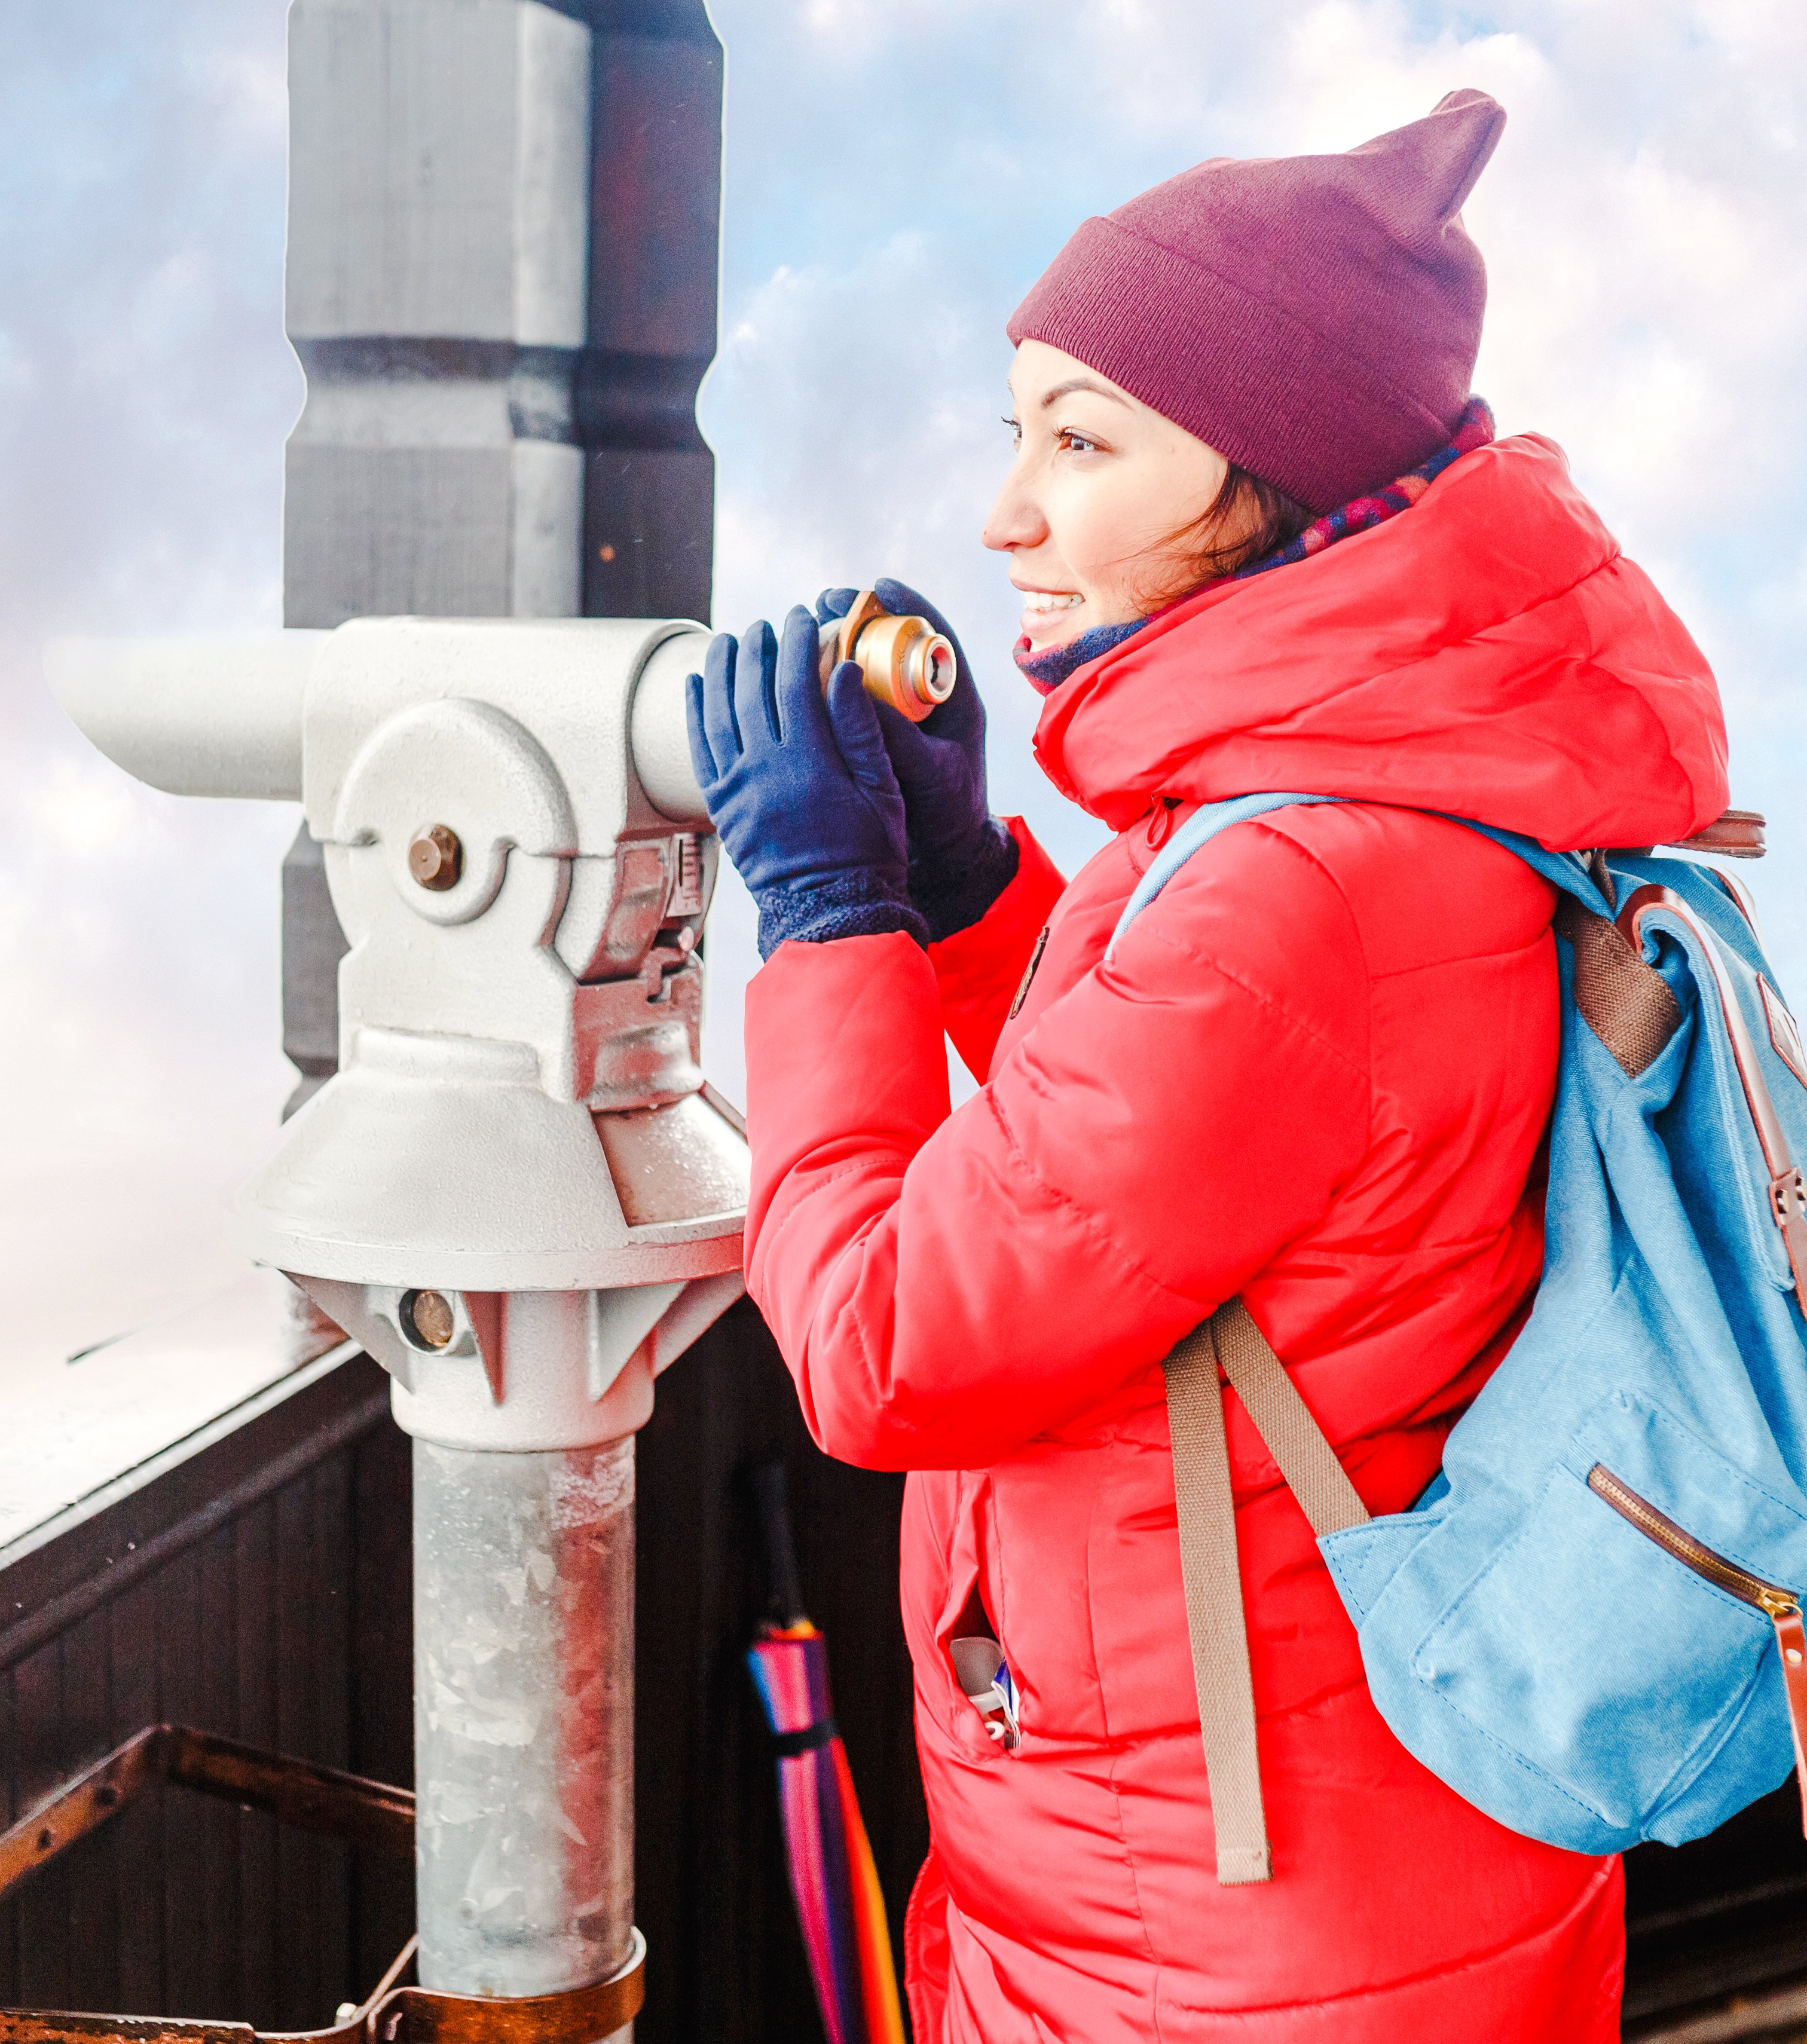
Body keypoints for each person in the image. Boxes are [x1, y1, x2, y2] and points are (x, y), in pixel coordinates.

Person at [686, 90, 1728, 2042]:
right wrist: (976, 889)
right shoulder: (1415, 791)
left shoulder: (1283, 880)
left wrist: (824, 919)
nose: (1009, 512)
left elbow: (884, 1336)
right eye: (1020, 436)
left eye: (1083, 442)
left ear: (1267, 477)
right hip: (1387, 1841)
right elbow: (1196, 1147)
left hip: (1217, 1938)